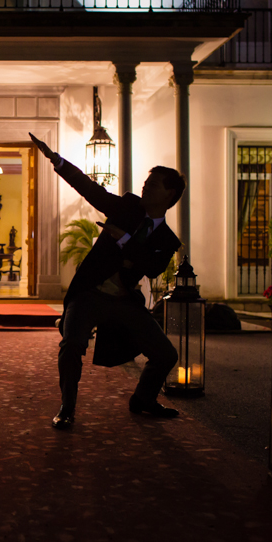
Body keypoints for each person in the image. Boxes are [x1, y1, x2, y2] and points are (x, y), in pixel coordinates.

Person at [29, 132, 186, 429]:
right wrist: (57, 161)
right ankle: (67, 407)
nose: (145, 187)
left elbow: (151, 268)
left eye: (153, 184)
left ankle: (143, 400)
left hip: (124, 300)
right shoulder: (127, 207)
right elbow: (91, 191)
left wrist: (123, 238)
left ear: (170, 194)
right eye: (146, 182)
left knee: (166, 354)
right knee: (71, 345)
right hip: (89, 292)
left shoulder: (167, 240)